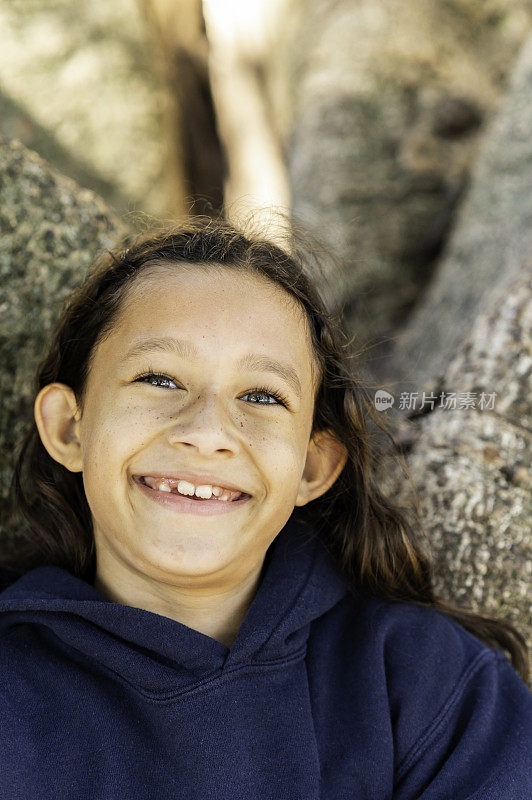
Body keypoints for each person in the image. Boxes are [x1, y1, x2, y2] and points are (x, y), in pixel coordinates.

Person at [0, 217, 530, 800]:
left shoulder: (424, 682)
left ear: (312, 467)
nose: (207, 432)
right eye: (159, 378)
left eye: (260, 396)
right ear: (69, 428)